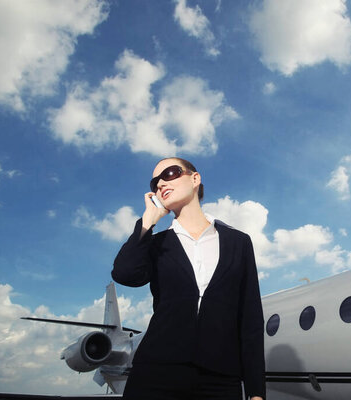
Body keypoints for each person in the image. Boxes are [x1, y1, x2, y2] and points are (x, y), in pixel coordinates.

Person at [112, 157, 265, 400]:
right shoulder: (156, 244)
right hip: (156, 373)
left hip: (220, 379)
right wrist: (148, 222)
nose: (161, 183)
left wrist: (256, 391)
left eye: (170, 173)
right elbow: (125, 274)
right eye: (155, 183)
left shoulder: (238, 242)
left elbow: (250, 318)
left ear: (195, 178)